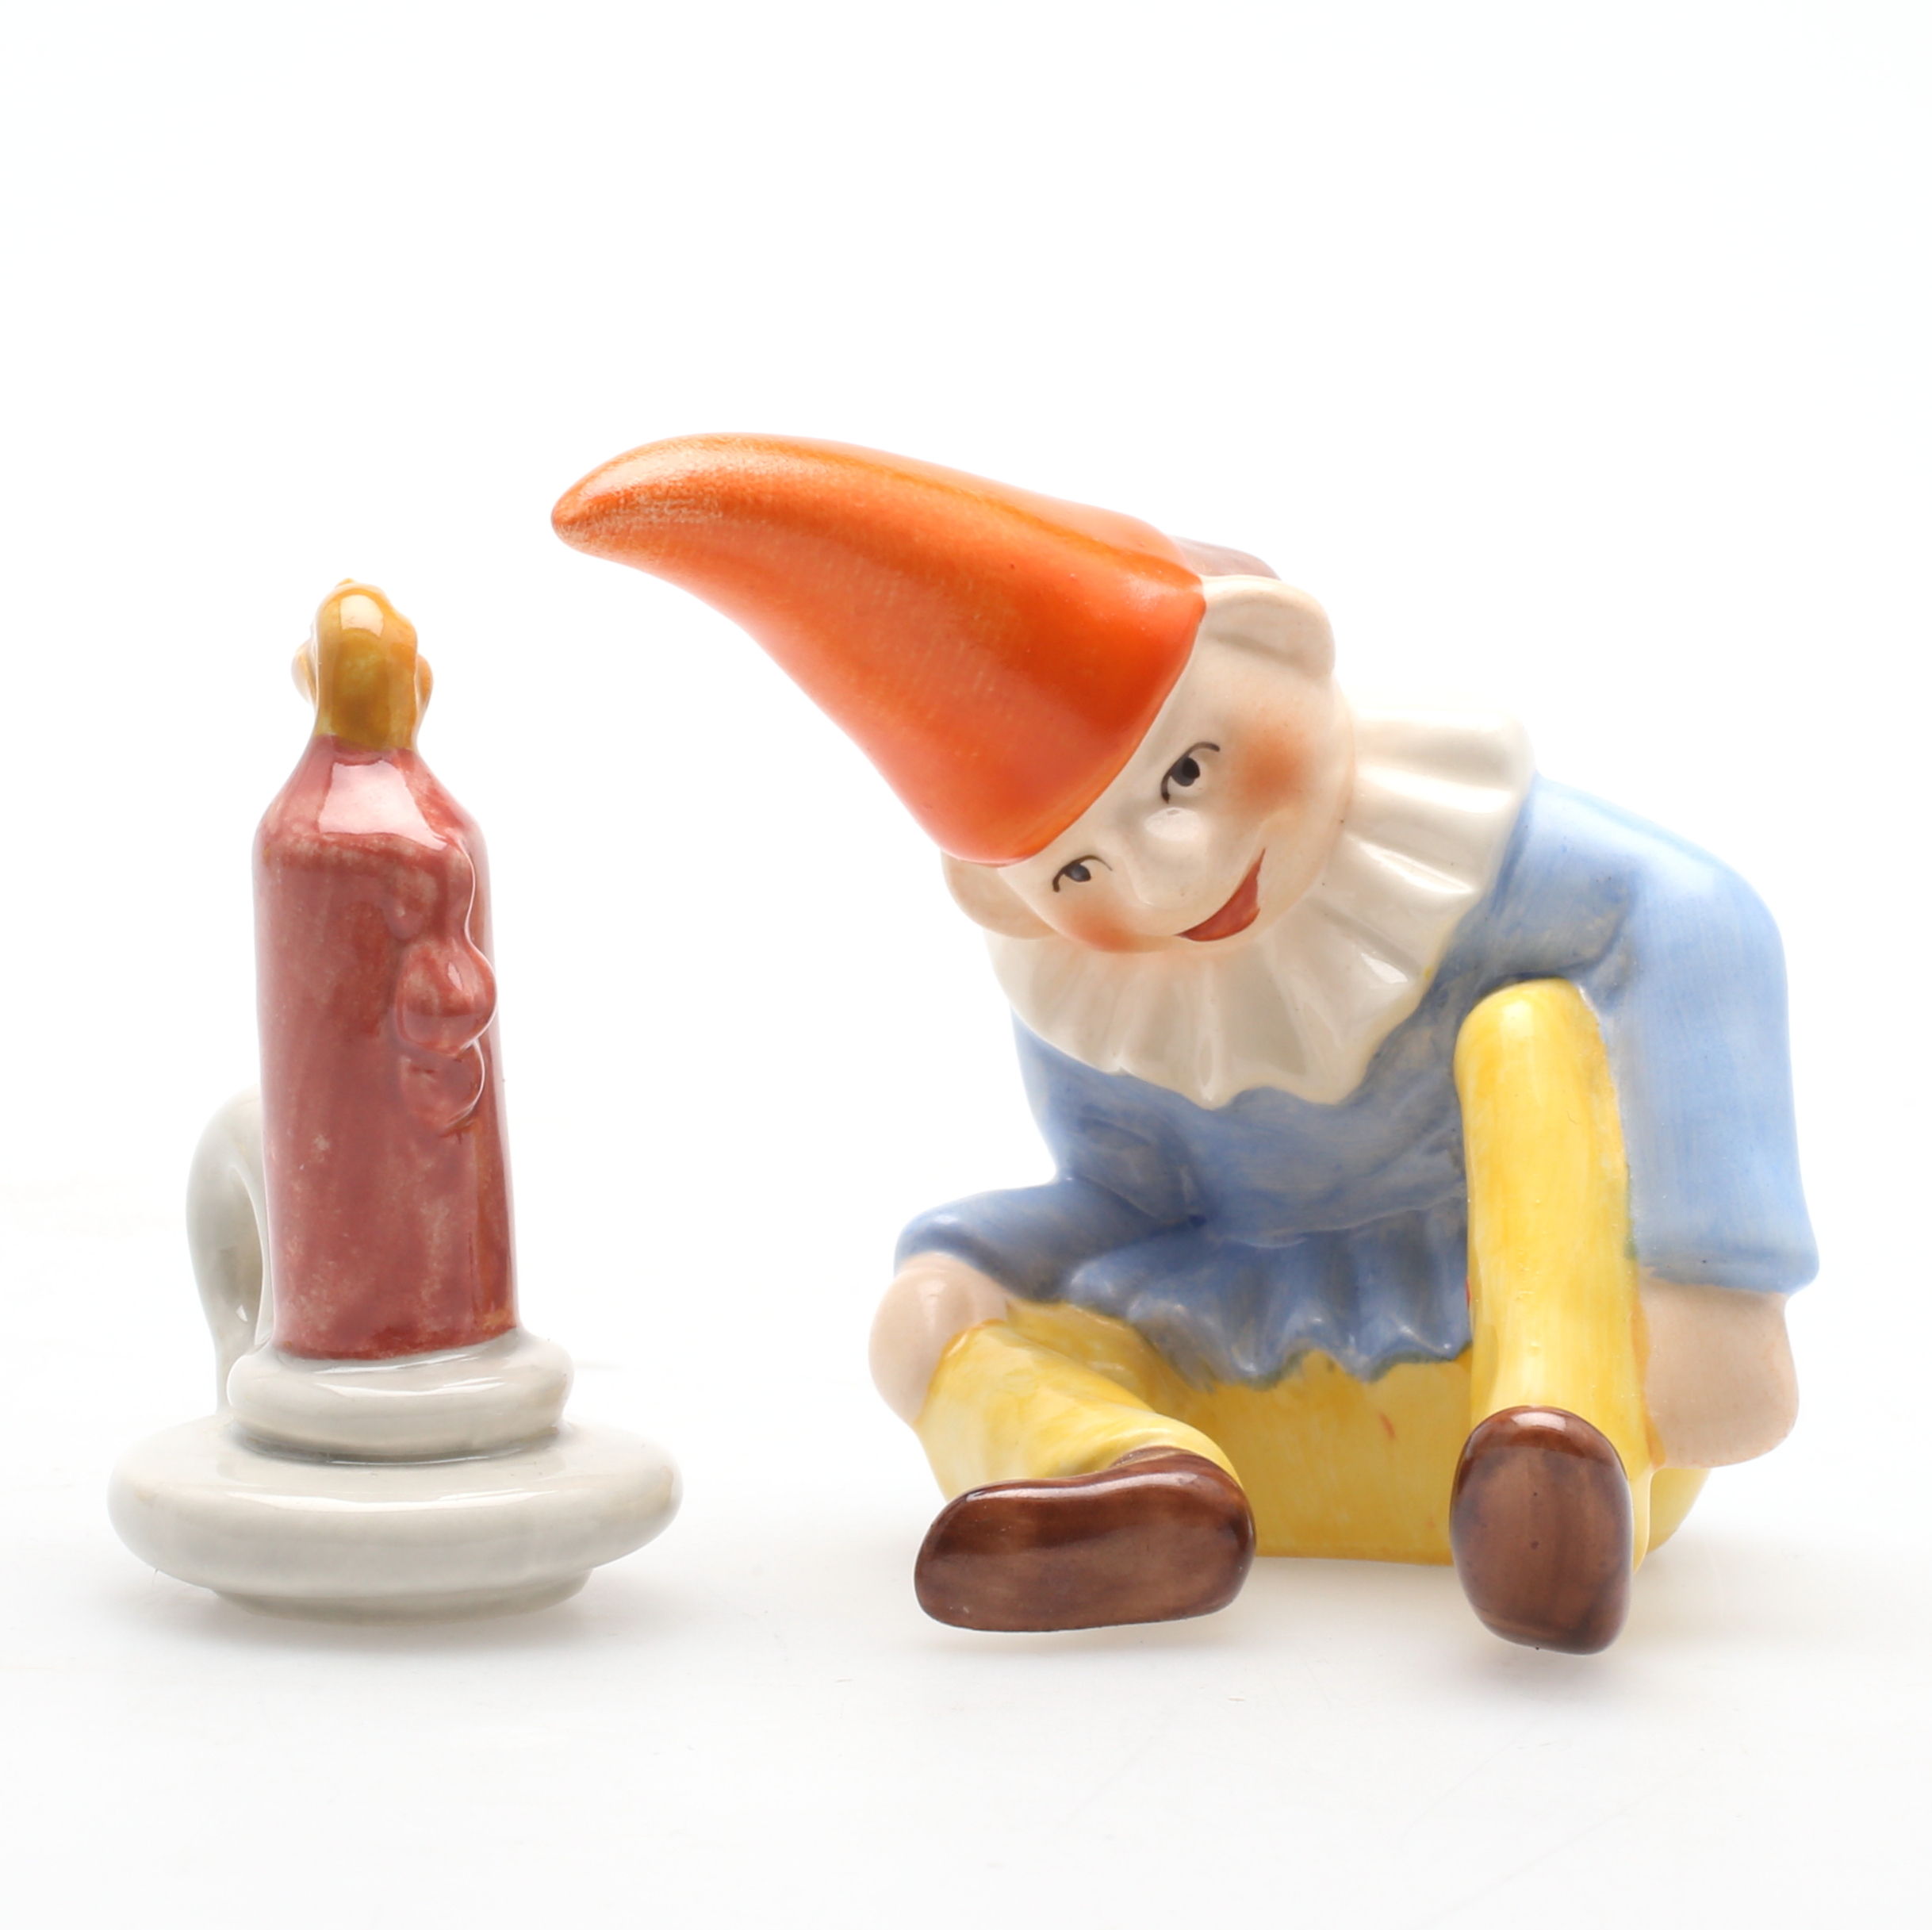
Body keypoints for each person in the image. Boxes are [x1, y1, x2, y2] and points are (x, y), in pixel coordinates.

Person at [553, 433, 1815, 1652]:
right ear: (1004, 897)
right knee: (928, 1329)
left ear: (1282, 649)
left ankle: (1553, 1459)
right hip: (1284, 1410)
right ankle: (1135, 1486)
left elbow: (1698, 919)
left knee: (1532, 1033)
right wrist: (968, 1264)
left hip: (1543, 1360)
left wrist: (1709, 1285)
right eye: (1078, 869)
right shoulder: (1099, 999)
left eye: (1187, 776)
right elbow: (1129, 1205)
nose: (1167, 882)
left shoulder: (1479, 861)